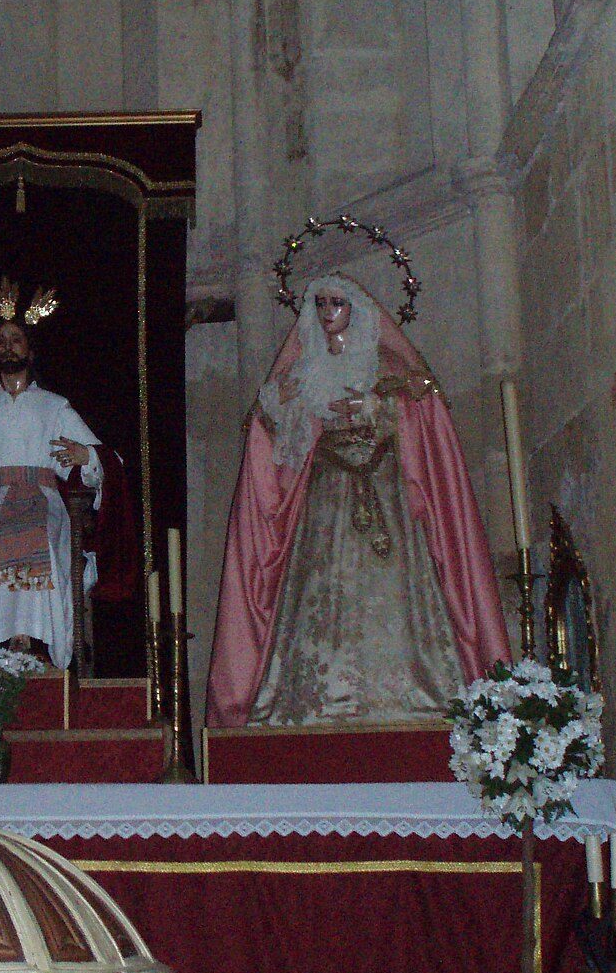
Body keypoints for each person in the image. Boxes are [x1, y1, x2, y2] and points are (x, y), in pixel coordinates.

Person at [206, 275, 511, 726]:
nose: (328, 313)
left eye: (338, 303)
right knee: (320, 587)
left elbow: (423, 403)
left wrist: (378, 407)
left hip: (385, 488)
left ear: (357, 310)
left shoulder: (385, 361)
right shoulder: (302, 370)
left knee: (396, 588)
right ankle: (315, 700)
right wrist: (275, 406)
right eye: (321, 304)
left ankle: (412, 695)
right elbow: (271, 436)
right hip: (326, 493)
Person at [0, 311, 134, 667]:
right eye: (1, 341)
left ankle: (29, 638)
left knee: (35, 534)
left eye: (16, 340)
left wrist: (86, 454)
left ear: (30, 351)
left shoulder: (54, 406)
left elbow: (112, 463)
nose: (8, 347)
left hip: (45, 502)